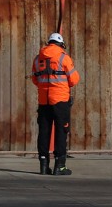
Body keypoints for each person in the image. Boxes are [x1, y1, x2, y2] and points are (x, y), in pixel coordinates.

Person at [31, 32, 80, 176]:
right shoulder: (64, 57)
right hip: (60, 100)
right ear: (61, 44)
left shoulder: (37, 59)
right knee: (61, 131)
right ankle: (60, 166)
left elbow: (35, 80)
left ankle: (44, 165)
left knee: (44, 132)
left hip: (43, 101)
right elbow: (74, 79)